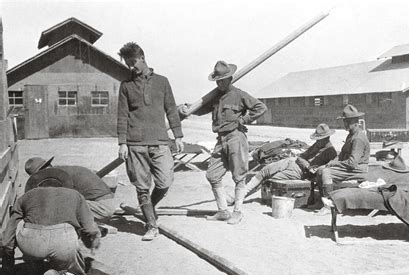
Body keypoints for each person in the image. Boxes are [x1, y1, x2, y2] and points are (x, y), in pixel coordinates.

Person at [1, 168, 100, 275]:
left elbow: (6, 240)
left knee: (23, 224)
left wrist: (8, 267)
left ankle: (35, 268)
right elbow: (90, 229)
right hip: (63, 240)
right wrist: (91, 243)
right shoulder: (75, 195)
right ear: (64, 184)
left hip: (31, 242)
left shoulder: (26, 196)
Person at [117, 42, 184, 241]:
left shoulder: (162, 82)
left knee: (165, 181)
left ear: (142, 58)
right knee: (142, 186)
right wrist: (122, 143)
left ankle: (149, 208)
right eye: (128, 64)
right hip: (135, 143)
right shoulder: (126, 86)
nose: (131, 67)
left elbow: (171, 109)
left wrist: (178, 135)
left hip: (160, 141)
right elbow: (122, 115)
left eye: (133, 63)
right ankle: (151, 225)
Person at [194, 60, 267, 225]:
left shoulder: (239, 94)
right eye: (217, 80)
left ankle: (237, 212)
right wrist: (184, 108)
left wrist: (244, 119)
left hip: (236, 137)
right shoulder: (215, 97)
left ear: (230, 79)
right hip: (220, 139)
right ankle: (222, 211)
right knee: (212, 175)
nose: (219, 83)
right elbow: (200, 110)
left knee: (239, 176)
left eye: (222, 80)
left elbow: (261, 107)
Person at [229, 123, 337, 201]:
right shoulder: (317, 144)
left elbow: (324, 171)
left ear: (327, 137)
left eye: (321, 138)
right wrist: (304, 162)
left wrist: (308, 166)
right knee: (265, 170)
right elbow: (302, 156)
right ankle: (238, 196)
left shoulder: (330, 151)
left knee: (270, 179)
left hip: (300, 172)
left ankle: (239, 198)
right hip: (293, 161)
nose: (318, 140)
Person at [316, 104, 370, 214]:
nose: (345, 124)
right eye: (344, 121)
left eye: (348, 121)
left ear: (356, 122)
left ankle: (329, 205)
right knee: (321, 169)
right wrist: (333, 161)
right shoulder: (351, 135)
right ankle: (321, 201)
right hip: (350, 167)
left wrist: (334, 165)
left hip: (358, 169)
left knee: (327, 173)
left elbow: (352, 163)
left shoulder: (358, 138)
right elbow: (342, 155)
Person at [24, 156, 116, 221]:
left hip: (104, 207)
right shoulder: (60, 170)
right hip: (103, 199)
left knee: (59, 204)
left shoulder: (58, 176)